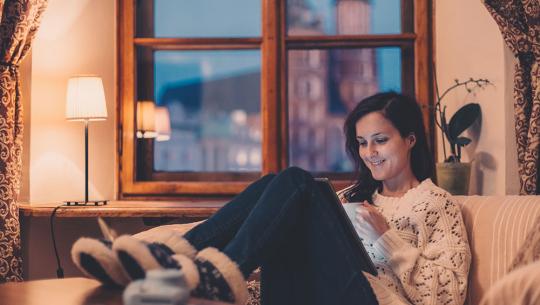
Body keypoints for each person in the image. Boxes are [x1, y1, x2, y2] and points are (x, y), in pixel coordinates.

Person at [71, 92, 471, 305]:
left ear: (411, 139)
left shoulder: (437, 204)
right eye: (362, 143)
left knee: (299, 183)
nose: (370, 153)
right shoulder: (353, 197)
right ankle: (166, 257)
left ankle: (181, 259)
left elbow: (448, 298)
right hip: (319, 294)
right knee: (279, 185)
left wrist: (389, 240)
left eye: (381, 141)